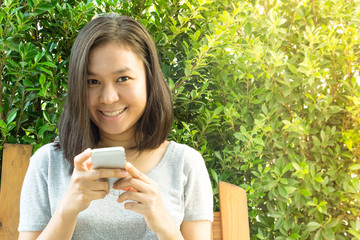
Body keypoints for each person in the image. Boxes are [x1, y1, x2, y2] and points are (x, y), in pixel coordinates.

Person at [18, 14, 213, 240]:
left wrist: (166, 227)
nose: (108, 98)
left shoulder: (185, 164)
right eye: (93, 82)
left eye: (123, 78)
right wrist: (66, 211)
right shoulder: (48, 164)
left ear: (150, 80)